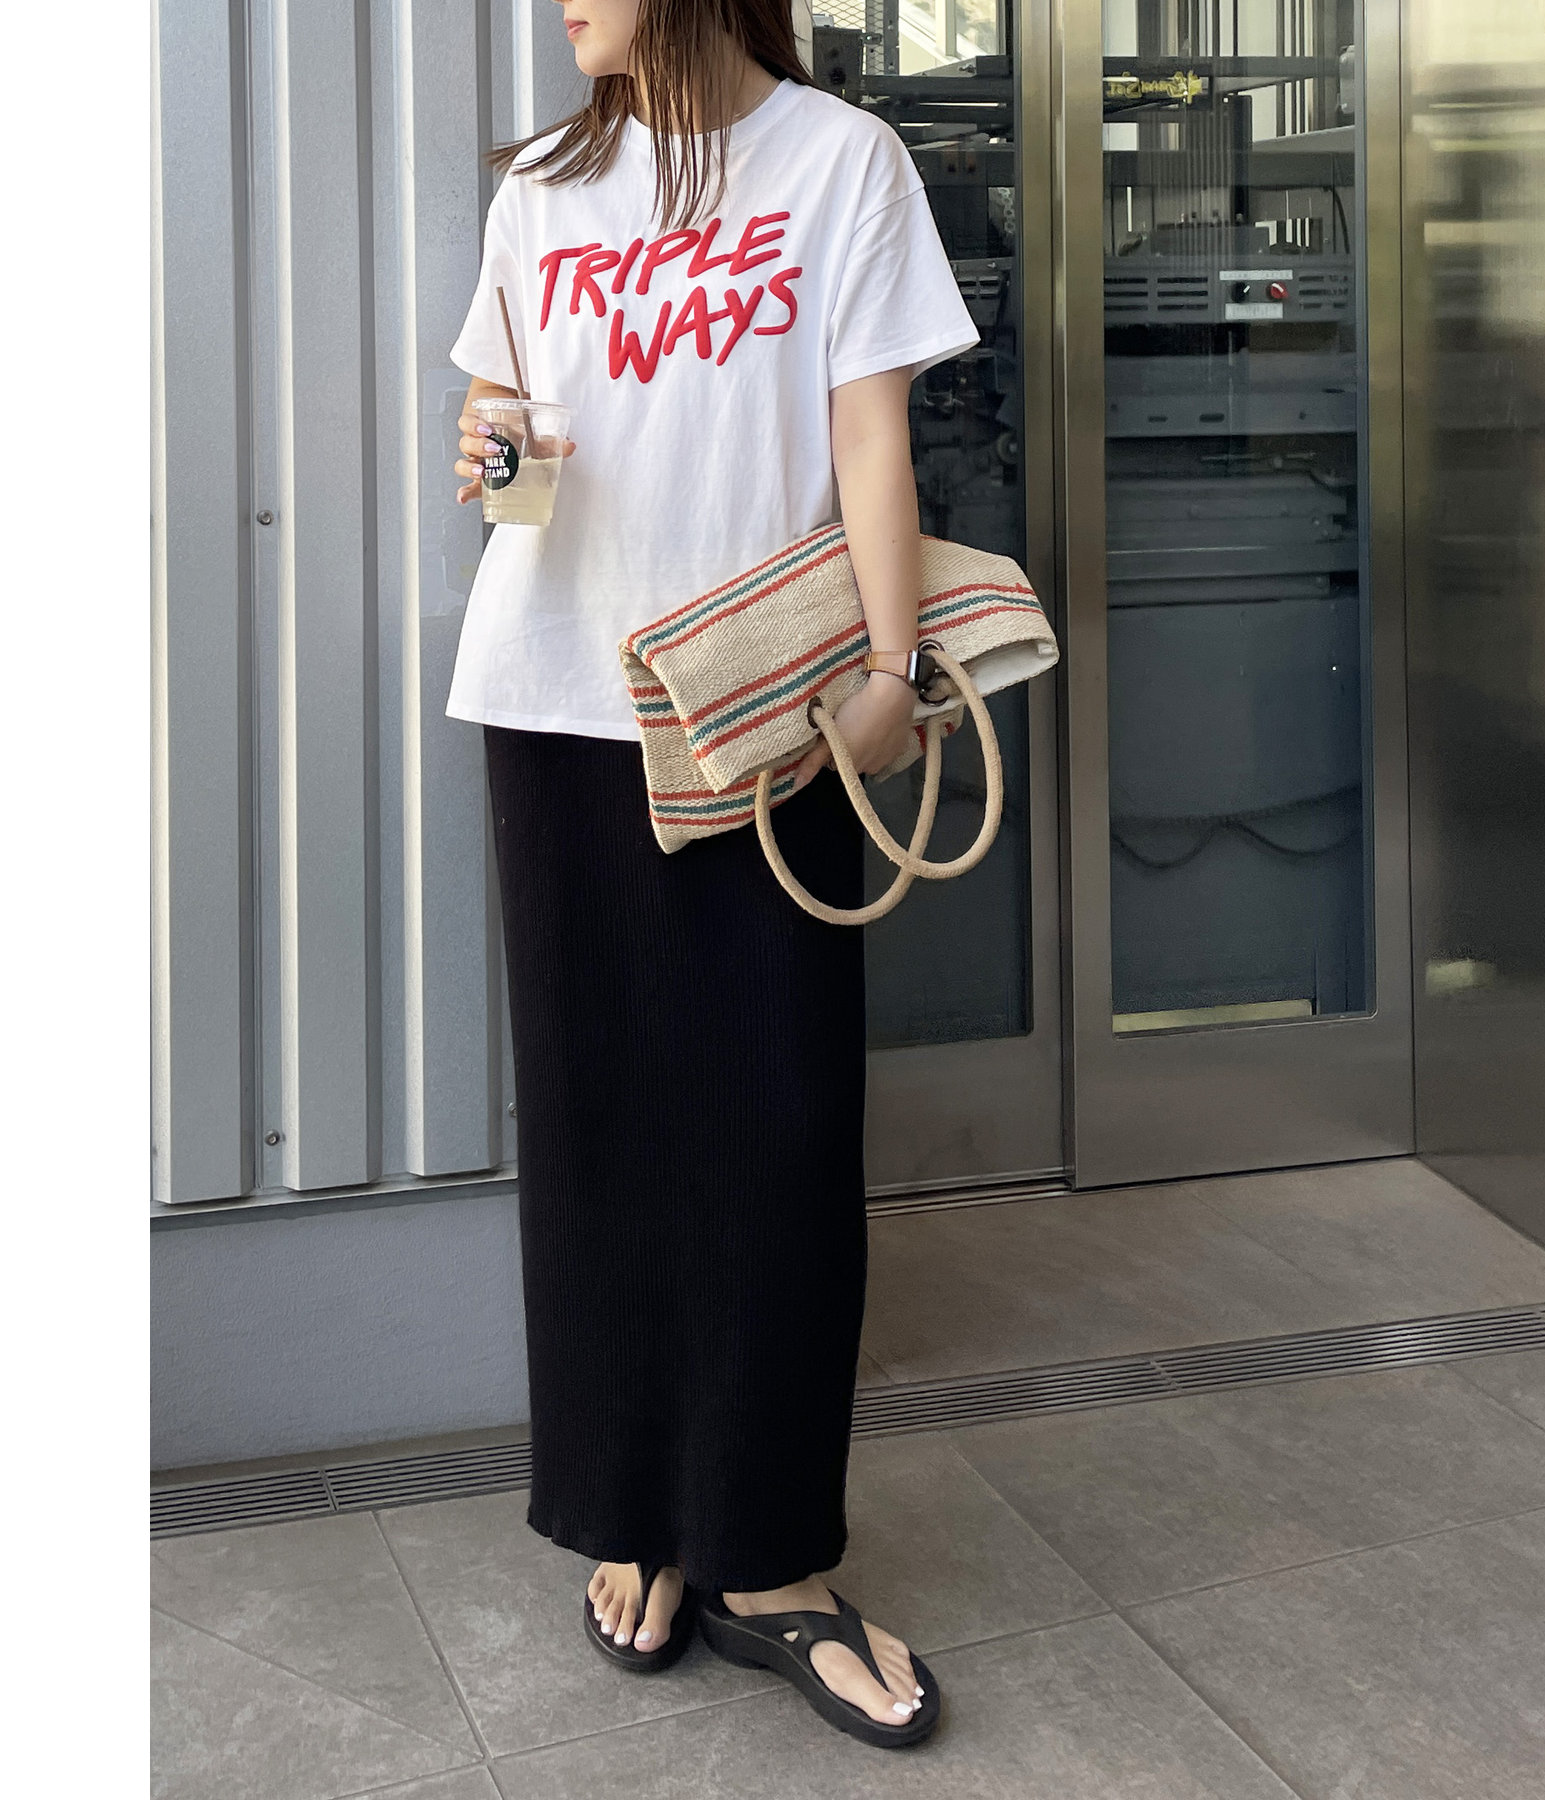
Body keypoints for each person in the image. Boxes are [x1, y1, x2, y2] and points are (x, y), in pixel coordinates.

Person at [445, 0, 978, 1749]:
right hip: (560, 697)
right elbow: (507, 429)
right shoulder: (541, 185)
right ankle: (636, 1518)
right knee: (600, 1122)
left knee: (775, 1125)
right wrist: (490, 454)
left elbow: (870, 432)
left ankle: (770, 1554)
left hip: (765, 708)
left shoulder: (841, 161)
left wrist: (890, 668)